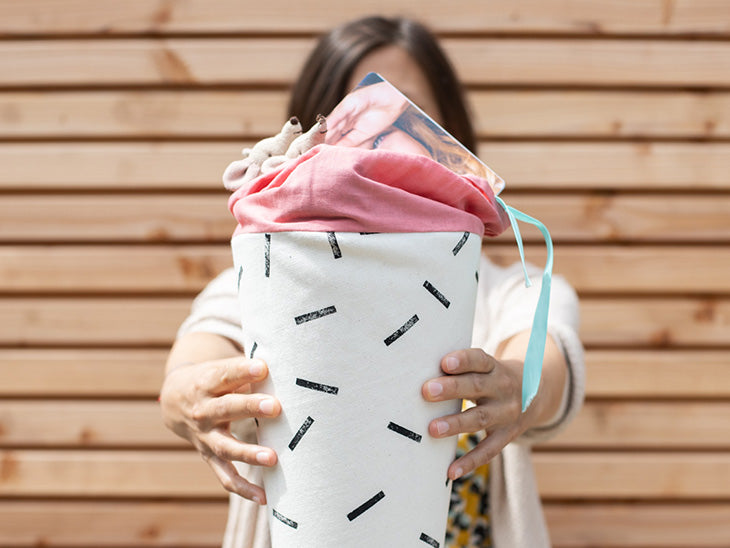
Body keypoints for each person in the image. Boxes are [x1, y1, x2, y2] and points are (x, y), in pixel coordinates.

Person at [159, 15, 584, 548]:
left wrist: (518, 386)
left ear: (450, 131)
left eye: (407, 116)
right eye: (348, 118)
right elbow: (199, 349)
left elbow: (552, 361)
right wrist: (184, 394)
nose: (372, 150)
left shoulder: (509, 289)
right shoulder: (264, 281)